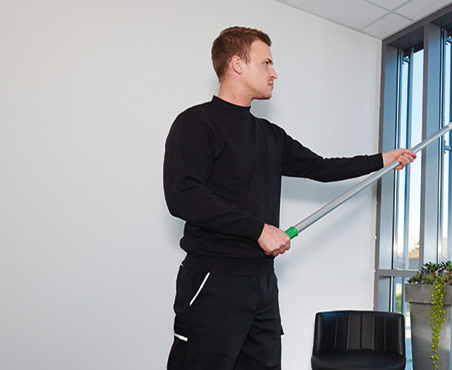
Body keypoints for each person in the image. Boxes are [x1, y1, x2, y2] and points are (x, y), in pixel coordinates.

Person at [162, 26, 416, 370]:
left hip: (263, 282)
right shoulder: (196, 124)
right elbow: (184, 196)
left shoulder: (269, 135)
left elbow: (321, 167)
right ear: (237, 64)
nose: (274, 73)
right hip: (213, 279)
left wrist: (383, 159)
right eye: (266, 63)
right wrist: (258, 229)